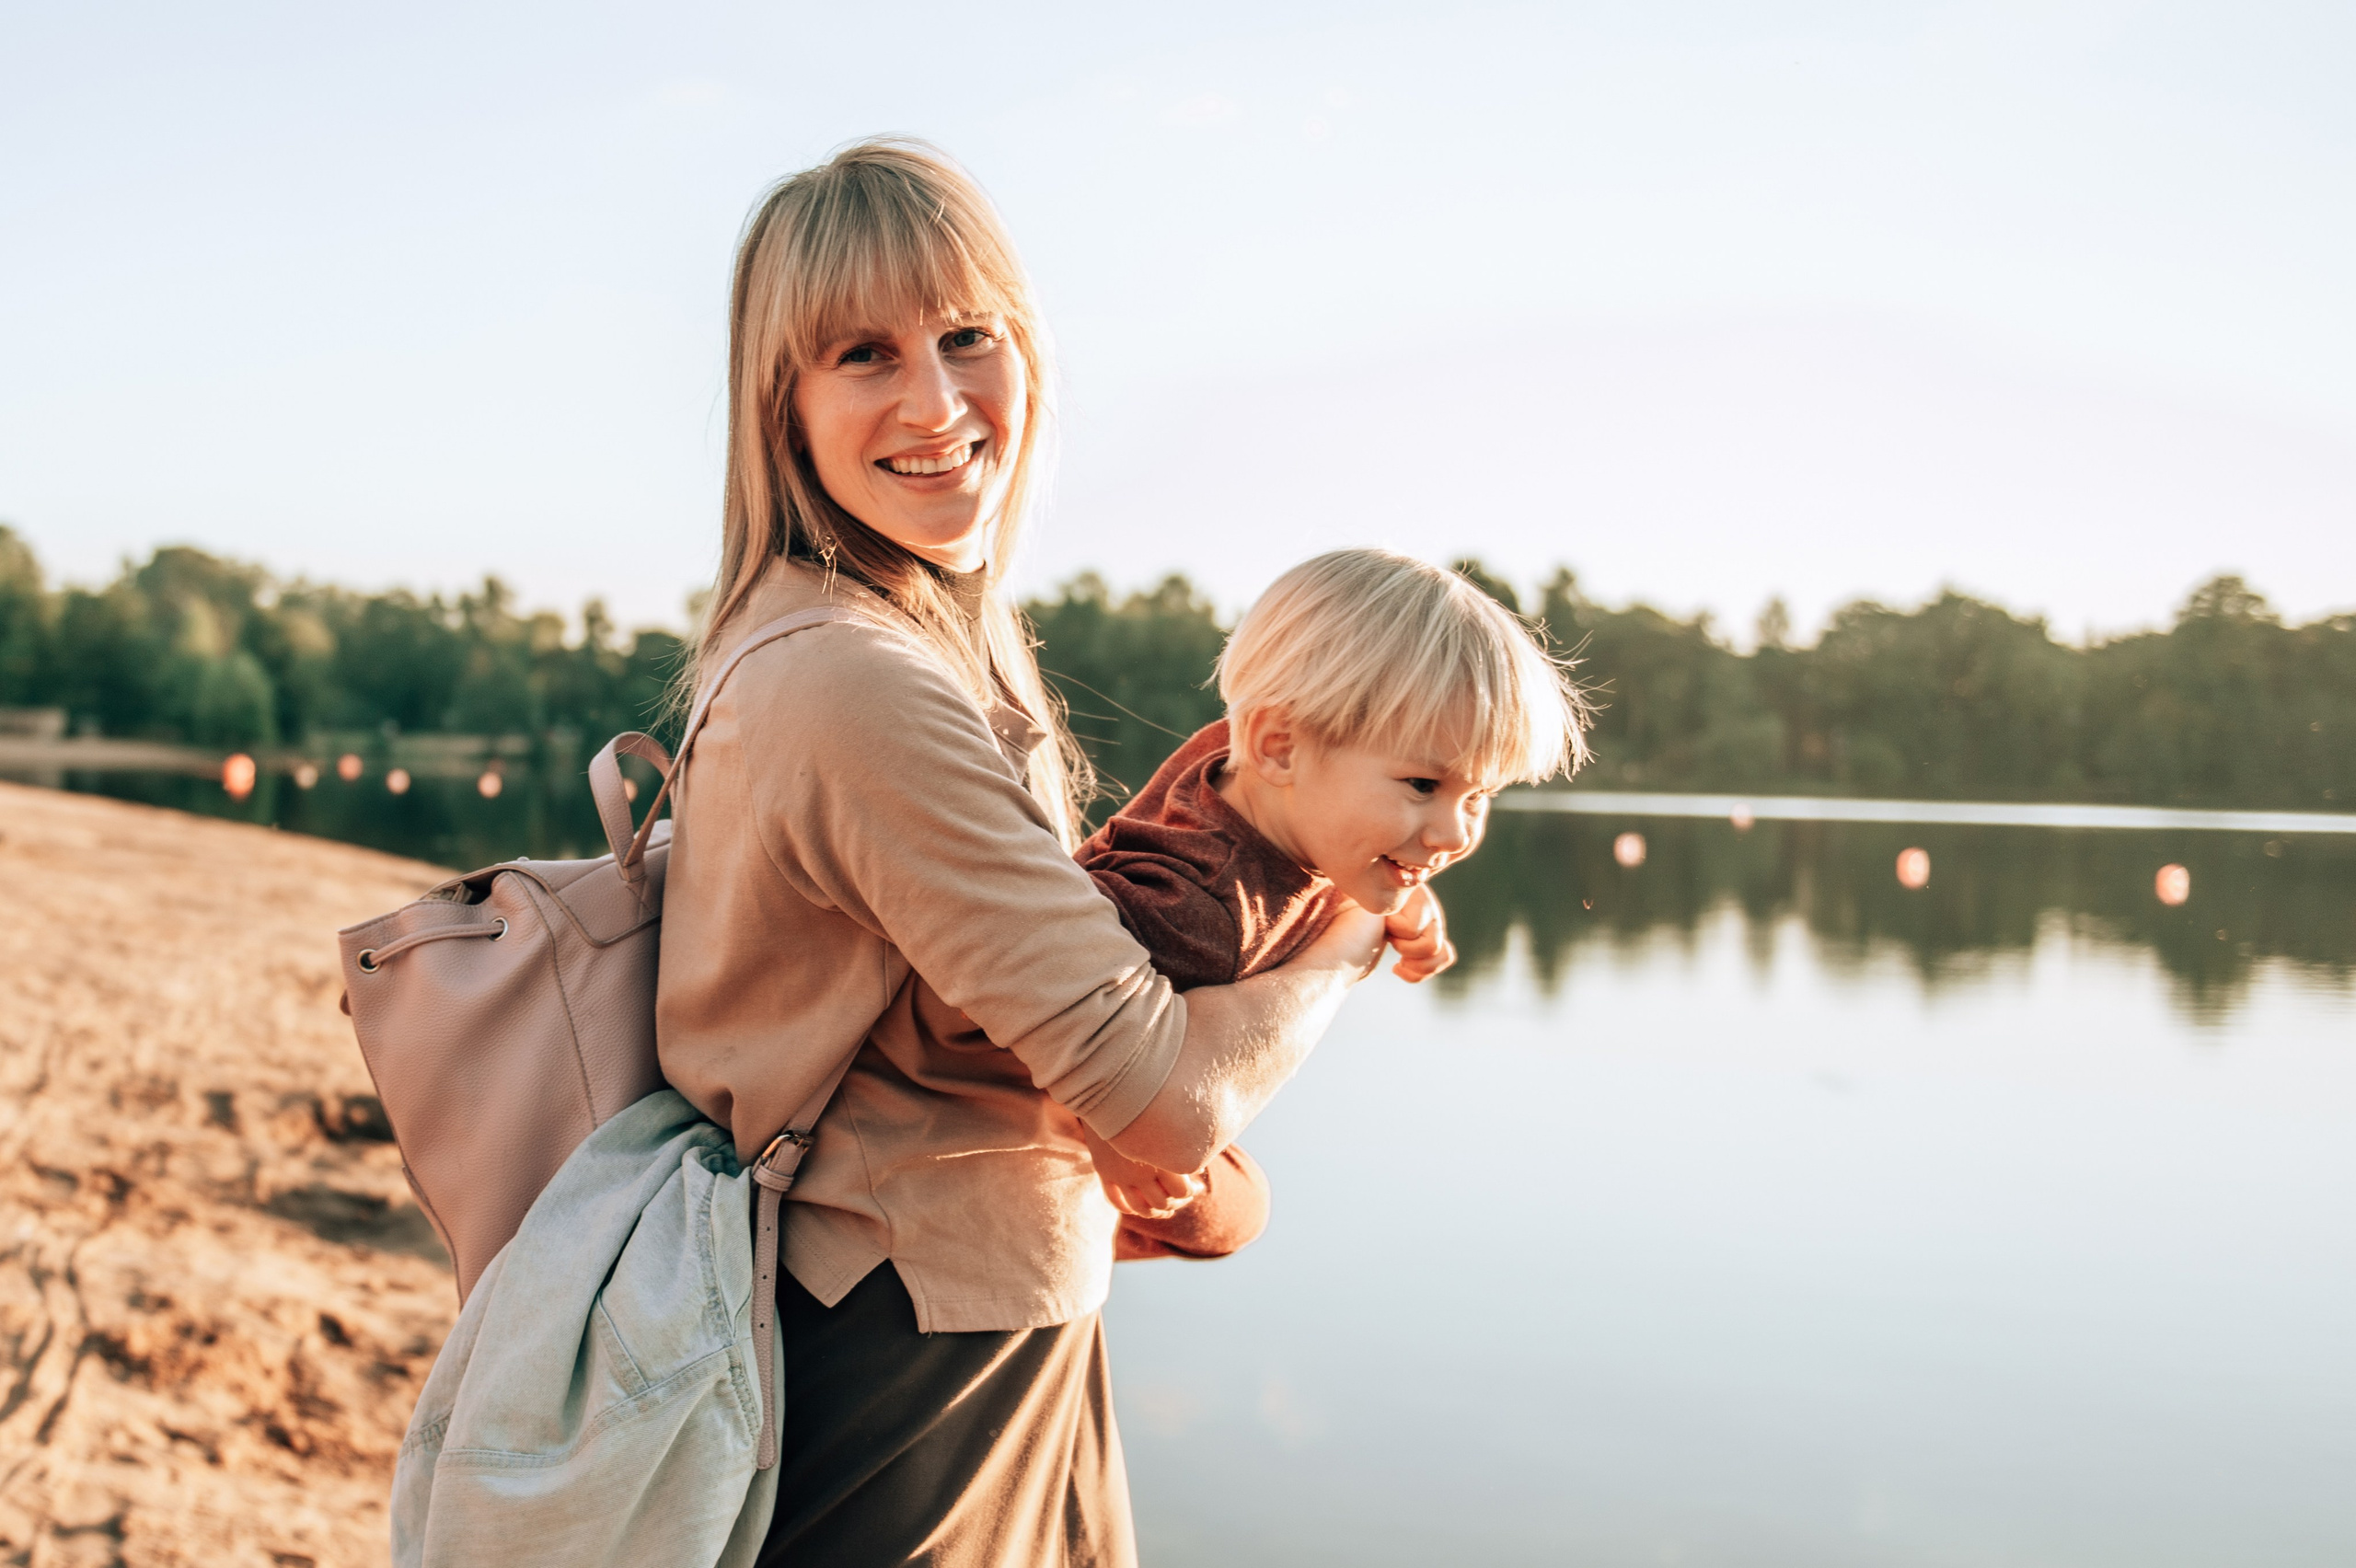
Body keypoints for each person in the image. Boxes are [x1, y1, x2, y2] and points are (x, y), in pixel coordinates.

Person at [653, 139, 1412, 1568]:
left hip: (961, 1309)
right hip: (906, 1350)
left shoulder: (904, 640)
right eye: (864, 354)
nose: (937, 403)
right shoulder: (853, 675)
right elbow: (1166, 1100)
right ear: (785, 405)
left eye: (966, 336)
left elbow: (1027, 1044)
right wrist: (1356, 936)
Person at [1078, 548, 1590, 1230]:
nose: (1454, 834)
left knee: (1239, 1202)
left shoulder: (1239, 772)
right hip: (1025, 1114)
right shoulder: (1190, 909)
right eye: (1423, 785)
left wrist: (1394, 889)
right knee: (1233, 1213)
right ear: (1279, 747)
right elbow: (1032, 1001)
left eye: (1480, 795)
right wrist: (1096, 1128)